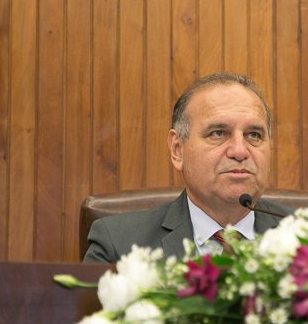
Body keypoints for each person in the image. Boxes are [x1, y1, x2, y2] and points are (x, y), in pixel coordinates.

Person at [83, 73, 294, 263]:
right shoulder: (118, 245)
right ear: (178, 150)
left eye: (254, 135)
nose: (239, 151)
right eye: (218, 133)